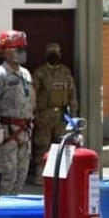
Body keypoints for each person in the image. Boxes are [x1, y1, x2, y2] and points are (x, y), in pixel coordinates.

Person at [0, 30, 34, 195]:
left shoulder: (25, 73)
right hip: (7, 133)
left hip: (24, 132)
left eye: (23, 49)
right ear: (7, 51)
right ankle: (1, 208)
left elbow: (30, 99)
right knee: (7, 176)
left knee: (21, 175)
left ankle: (14, 206)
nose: (23, 53)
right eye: (18, 49)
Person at [32, 42, 78, 181]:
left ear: (60, 54)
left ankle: (61, 175)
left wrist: (73, 116)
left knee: (63, 145)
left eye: (56, 52)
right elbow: (33, 95)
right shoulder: (39, 73)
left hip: (61, 116)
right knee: (42, 145)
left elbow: (72, 94)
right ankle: (41, 175)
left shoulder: (65, 72)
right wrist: (34, 115)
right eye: (51, 53)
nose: (53, 55)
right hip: (44, 115)